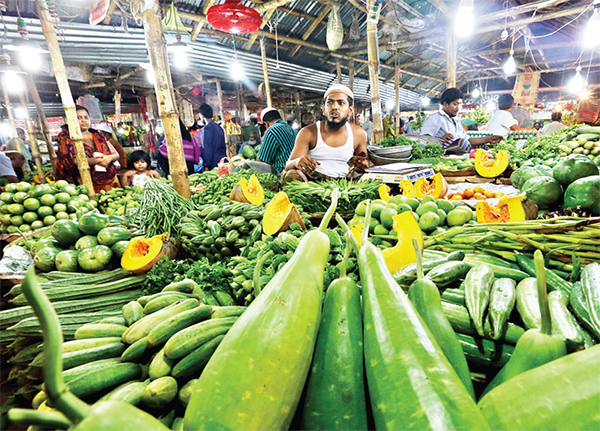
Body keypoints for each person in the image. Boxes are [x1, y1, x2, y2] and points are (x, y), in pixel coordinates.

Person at [285, 84, 368, 180]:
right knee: (292, 174)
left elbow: (364, 162)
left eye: (341, 103)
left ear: (350, 110)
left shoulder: (358, 133)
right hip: (313, 184)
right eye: (330, 102)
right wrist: (297, 162)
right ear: (324, 109)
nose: (334, 107)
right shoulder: (308, 132)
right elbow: (288, 165)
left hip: (346, 185)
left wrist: (362, 165)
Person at [420, 88, 502, 152]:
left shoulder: (456, 121)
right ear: (445, 104)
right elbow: (423, 140)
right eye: (455, 104)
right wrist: (440, 139)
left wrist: (488, 139)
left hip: (461, 154)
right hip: (446, 155)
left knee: (482, 147)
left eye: (459, 104)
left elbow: (468, 140)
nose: (458, 108)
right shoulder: (434, 118)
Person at [77, 105, 120, 192]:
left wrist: (109, 158)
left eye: (86, 117)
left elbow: (116, 154)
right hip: (87, 180)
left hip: (109, 178)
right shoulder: (69, 139)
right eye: (79, 118)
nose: (83, 120)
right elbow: (72, 161)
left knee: (116, 202)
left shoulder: (98, 136)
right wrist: (96, 161)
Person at [254, 108, 296, 175]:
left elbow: (261, 160)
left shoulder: (271, 130)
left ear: (266, 124)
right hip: (294, 171)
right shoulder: (292, 129)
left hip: (281, 175)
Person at [199, 104, 226, 171]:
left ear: (202, 116)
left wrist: (206, 165)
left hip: (213, 164)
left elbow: (207, 149)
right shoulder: (219, 128)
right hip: (222, 162)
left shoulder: (206, 129)